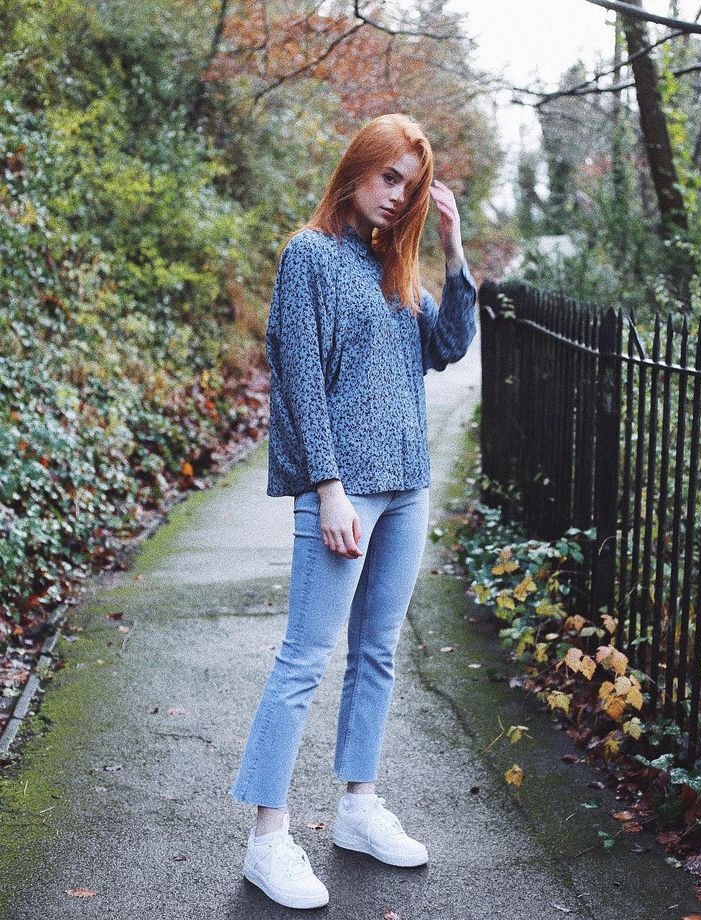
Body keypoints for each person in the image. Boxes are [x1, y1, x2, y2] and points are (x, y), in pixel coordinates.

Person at [229, 113, 478, 910]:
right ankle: (267, 839)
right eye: (389, 179)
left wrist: (452, 246)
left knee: (377, 654)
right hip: (347, 491)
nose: (397, 198)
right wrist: (327, 488)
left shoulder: (393, 264)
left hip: (408, 485)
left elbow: (447, 347)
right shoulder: (309, 256)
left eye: (409, 185)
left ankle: (357, 808)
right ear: (356, 171)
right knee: (304, 659)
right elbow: (296, 379)